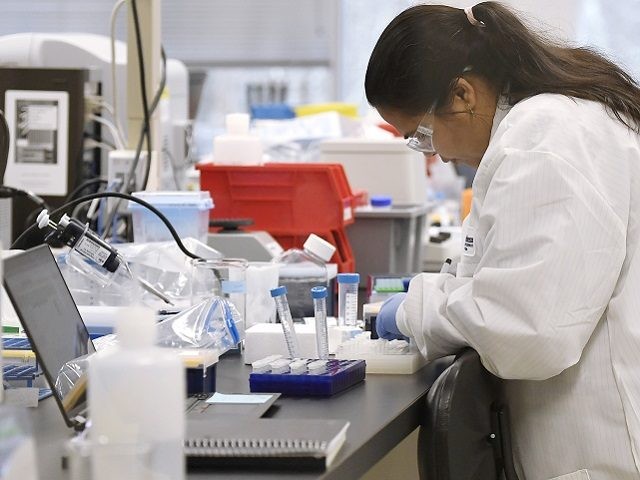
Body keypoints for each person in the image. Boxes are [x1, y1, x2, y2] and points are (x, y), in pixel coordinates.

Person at [366, 3, 640, 480]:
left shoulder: (547, 139)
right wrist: (438, 296)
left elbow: (528, 330)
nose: (441, 155)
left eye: (424, 136)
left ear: (463, 92)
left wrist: (417, 313)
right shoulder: (535, 130)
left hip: (607, 449)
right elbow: (492, 273)